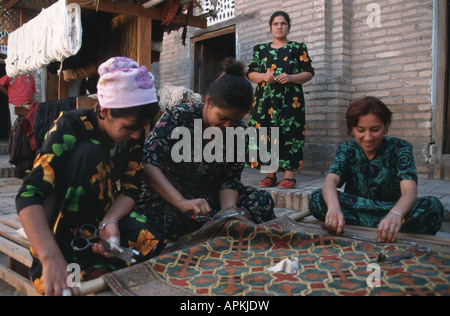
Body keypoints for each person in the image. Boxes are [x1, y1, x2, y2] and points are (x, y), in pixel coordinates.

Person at [16, 57, 164, 296]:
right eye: (129, 127)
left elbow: (131, 188)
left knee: (149, 237)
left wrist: (109, 222)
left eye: (143, 127)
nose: (137, 135)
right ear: (105, 111)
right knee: (90, 151)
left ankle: (95, 250)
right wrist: (48, 255)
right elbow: (29, 194)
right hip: (62, 218)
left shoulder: (133, 135)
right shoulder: (70, 127)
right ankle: (63, 257)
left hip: (99, 215)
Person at [135, 58, 276, 242]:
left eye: (233, 122)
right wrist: (181, 202)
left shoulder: (239, 131)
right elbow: (147, 163)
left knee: (261, 202)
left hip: (208, 198)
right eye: (223, 118)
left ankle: (215, 227)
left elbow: (229, 180)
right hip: (169, 194)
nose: (227, 126)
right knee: (151, 219)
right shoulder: (178, 116)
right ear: (208, 101)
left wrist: (227, 215)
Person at [309, 97, 444, 243]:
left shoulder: (400, 148)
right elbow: (331, 180)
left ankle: (386, 224)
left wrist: (396, 213)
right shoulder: (346, 149)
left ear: (386, 126)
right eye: (361, 130)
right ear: (352, 129)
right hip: (356, 206)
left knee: (432, 207)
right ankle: (381, 226)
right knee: (317, 198)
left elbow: (410, 190)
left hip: (390, 209)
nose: (368, 137)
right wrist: (334, 208)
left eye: (375, 130)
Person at [247, 11, 315, 189]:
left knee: (290, 131)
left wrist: (291, 78)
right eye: (276, 23)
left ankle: (289, 174)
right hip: (265, 100)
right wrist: (263, 76)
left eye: (283, 23)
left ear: (289, 27)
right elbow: (250, 73)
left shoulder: (298, 48)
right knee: (267, 131)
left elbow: (309, 72)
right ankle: (271, 173)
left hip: (290, 99)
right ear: (271, 27)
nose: (279, 26)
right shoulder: (260, 50)